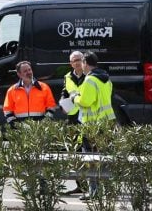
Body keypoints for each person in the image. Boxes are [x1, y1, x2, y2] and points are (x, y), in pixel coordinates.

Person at [70, 51, 116, 200]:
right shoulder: (105, 79)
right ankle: (107, 190)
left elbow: (85, 102)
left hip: (91, 125)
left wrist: (75, 97)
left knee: (90, 159)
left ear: (85, 63)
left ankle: (94, 192)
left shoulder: (90, 80)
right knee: (104, 158)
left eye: (81, 63)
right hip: (106, 123)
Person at [60, 51, 86, 195]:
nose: (77, 62)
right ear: (71, 64)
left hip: (87, 118)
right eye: (74, 60)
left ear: (83, 61)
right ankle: (80, 184)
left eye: (79, 59)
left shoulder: (89, 76)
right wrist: (62, 103)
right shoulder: (68, 77)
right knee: (75, 152)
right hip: (72, 118)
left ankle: (92, 184)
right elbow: (65, 92)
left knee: (88, 152)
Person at [3, 60, 58, 126]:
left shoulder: (44, 87)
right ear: (19, 74)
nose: (28, 72)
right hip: (20, 130)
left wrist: (45, 123)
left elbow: (51, 106)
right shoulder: (12, 90)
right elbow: (7, 110)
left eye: (29, 70)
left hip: (40, 129)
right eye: (25, 71)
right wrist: (15, 125)